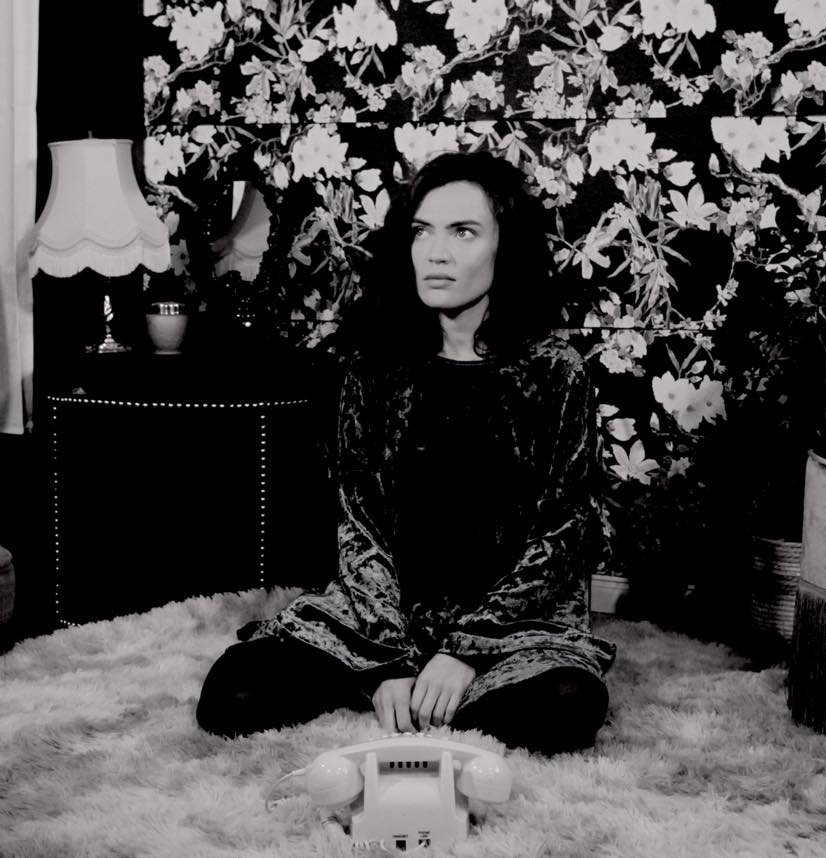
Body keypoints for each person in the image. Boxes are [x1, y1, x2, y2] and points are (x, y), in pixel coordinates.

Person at [196, 150, 616, 755]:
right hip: (379, 612)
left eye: (463, 232)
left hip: (511, 624)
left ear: (506, 247)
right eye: (422, 231)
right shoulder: (376, 366)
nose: (435, 252)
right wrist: (386, 658)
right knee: (233, 697)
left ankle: (454, 688)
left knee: (566, 706)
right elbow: (359, 520)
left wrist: (465, 650)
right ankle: (409, 689)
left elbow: (565, 530)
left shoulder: (555, 371)